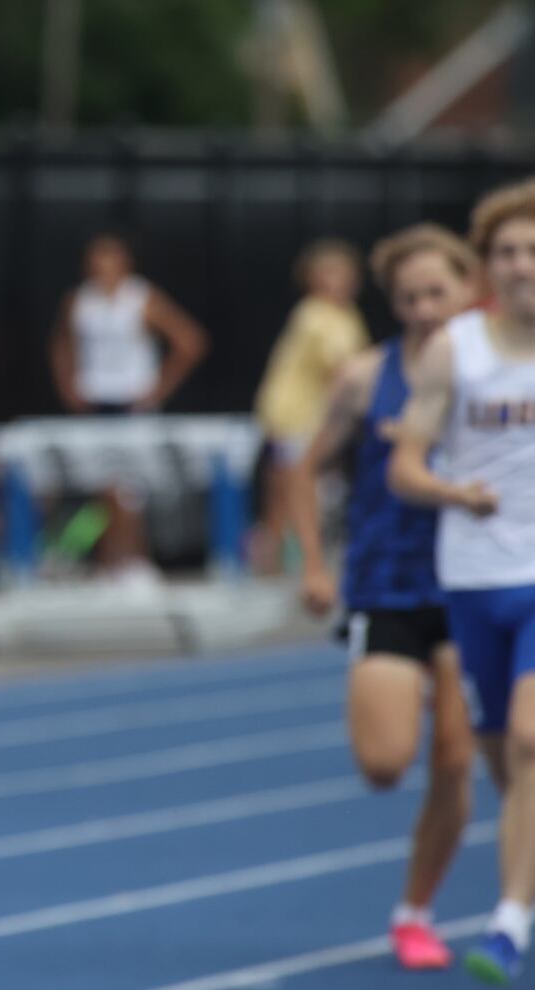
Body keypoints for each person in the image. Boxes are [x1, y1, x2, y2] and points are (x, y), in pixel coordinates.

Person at [287, 223, 480, 969]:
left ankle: (416, 910)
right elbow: (304, 469)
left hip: (473, 586)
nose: (426, 308)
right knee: (386, 762)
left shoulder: (499, 375)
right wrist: (312, 564)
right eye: (410, 297)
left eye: (439, 292)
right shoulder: (366, 377)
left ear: (468, 291)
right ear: (392, 303)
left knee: (459, 760)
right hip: (386, 585)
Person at [389, 178, 535, 985]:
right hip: (473, 581)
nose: (522, 265)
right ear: (487, 266)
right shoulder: (459, 349)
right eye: (508, 252)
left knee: (529, 739)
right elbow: (406, 464)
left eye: (534, 251)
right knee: (507, 768)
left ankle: (509, 925)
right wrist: (453, 491)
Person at [47, 233, 209, 578]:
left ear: (125, 263)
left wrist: (157, 389)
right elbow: (61, 346)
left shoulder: (141, 298)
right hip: (96, 403)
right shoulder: (79, 301)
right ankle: (112, 562)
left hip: (132, 404)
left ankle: (132, 560)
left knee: (130, 489)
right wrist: (69, 386)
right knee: (103, 486)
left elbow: (190, 341)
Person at [254, 238, 370, 572]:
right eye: (328, 273)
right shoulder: (320, 315)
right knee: (291, 491)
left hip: (304, 419)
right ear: (310, 278)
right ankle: (289, 566)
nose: (337, 281)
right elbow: (344, 371)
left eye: (343, 273)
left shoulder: (339, 315)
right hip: (298, 419)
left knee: (285, 490)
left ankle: (277, 565)